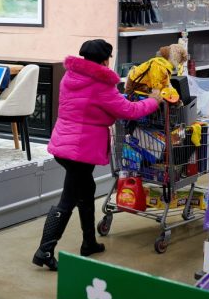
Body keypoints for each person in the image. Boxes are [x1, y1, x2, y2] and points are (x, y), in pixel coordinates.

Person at [32, 39, 163, 271]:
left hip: (65, 144)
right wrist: (154, 100)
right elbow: (128, 111)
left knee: (87, 190)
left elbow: (94, 107)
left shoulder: (70, 77)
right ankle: (44, 251)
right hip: (80, 150)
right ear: (105, 60)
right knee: (68, 200)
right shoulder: (100, 84)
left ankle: (89, 242)